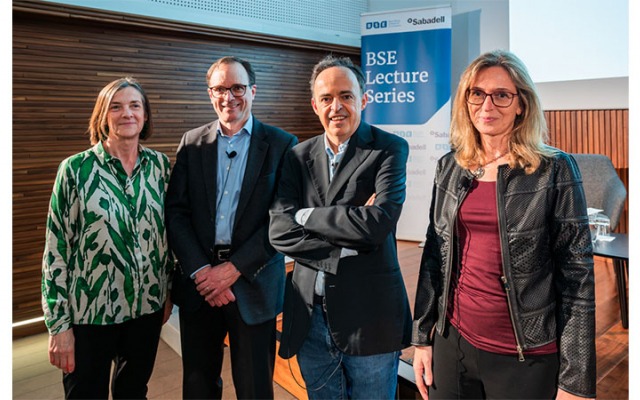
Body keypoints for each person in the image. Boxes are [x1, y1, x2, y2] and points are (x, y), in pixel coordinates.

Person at [411, 50, 596, 400]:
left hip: (524, 354)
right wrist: (423, 338)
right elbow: (435, 255)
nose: (487, 105)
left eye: (501, 95)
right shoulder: (450, 166)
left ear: (521, 104)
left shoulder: (554, 170)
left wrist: (575, 381)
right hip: (453, 342)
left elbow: (578, 279)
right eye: (476, 93)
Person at [269, 55, 412, 399]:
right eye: (327, 98)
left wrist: (305, 216)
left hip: (370, 318)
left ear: (363, 99)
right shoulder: (296, 156)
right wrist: (348, 236)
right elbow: (278, 231)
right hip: (309, 318)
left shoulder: (388, 149)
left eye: (346, 96)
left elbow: (377, 226)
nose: (337, 107)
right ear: (315, 105)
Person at [165, 55, 297, 399]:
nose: (229, 97)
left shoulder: (282, 145)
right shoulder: (192, 143)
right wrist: (201, 271)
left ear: (252, 91)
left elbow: (282, 219)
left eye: (237, 87)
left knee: (254, 388)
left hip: (253, 284)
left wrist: (233, 270)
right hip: (200, 286)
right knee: (198, 386)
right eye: (220, 89)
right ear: (210, 94)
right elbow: (176, 213)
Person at [41, 77, 174, 399]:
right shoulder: (75, 170)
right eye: (116, 106)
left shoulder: (160, 167)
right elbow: (56, 248)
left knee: (133, 392)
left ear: (145, 116)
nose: (126, 113)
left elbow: (167, 236)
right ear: (103, 115)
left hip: (147, 307)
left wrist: (169, 291)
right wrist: (58, 326)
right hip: (90, 312)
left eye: (135, 106)